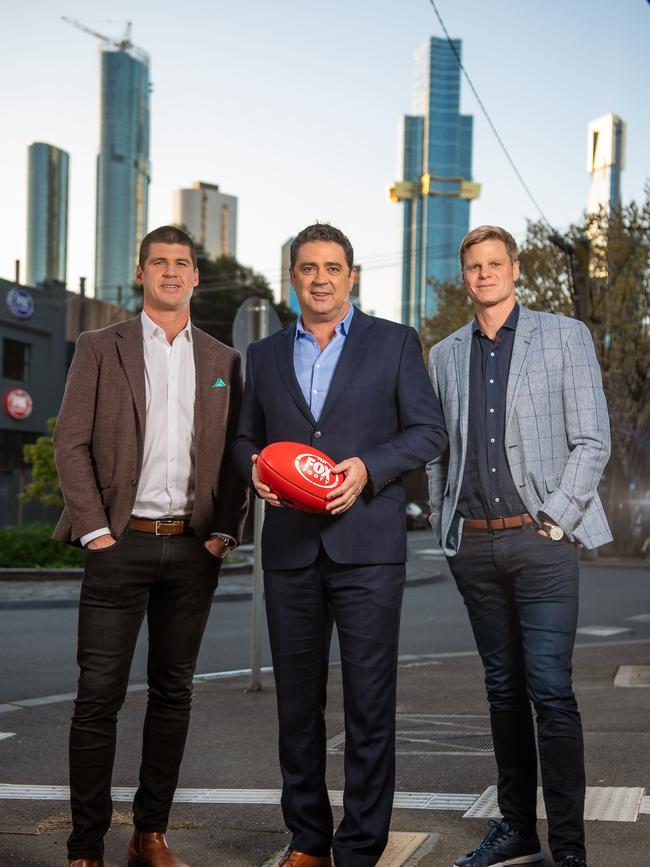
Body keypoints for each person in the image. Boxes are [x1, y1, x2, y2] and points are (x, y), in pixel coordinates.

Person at [232, 223, 447, 867]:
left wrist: (369, 468)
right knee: (297, 705)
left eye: (332, 267)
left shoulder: (396, 343)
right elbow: (243, 439)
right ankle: (307, 838)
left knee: (369, 703)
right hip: (292, 551)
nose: (320, 277)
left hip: (369, 552)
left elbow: (428, 432)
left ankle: (359, 845)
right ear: (292, 278)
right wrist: (255, 471)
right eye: (307, 268)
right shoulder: (264, 356)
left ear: (352, 276)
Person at [53, 225, 248, 867]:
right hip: (120, 543)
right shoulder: (99, 347)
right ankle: (86, 847)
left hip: (191, 552)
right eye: (159, 262)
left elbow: (235, 458)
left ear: (197, 277)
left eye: (182, 263)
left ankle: (149, 833)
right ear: (141, 273)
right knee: (98, 695)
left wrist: (223, 532)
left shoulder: (223, 361)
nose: (171, 272)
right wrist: (96, 532)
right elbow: (71, 442)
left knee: (173, 692)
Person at [426, 225, 612, 867]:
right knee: (502, 690)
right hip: (474, 547)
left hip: (542, 543)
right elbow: (439, 450)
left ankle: (568, 847)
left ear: (515, 268)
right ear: (465, 275)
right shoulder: (444, 354)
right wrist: (441, 522)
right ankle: (517, 832)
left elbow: (593, 439)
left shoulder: (563, 336)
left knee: (550, 691)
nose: (484, 274)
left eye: (494, 263)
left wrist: (556, 518)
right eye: (474, 266)